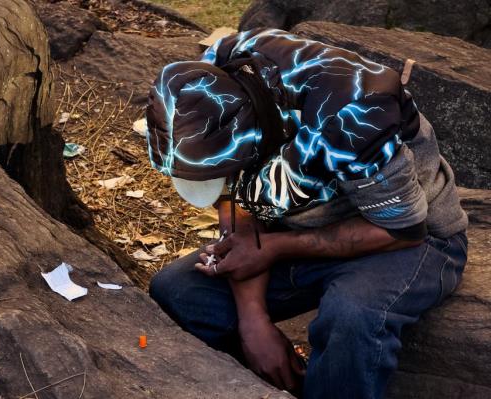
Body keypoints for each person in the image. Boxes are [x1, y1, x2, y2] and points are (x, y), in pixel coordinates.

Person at [144, 28, 468, 399]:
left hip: (408, 237)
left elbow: (403, 230)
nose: (223, 191)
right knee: (180, 292)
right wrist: (254, 322)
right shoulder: (200, 81)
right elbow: (235, 203)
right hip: (295, 226)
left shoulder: (354, 110)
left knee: (351, 315)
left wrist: (276, 248)